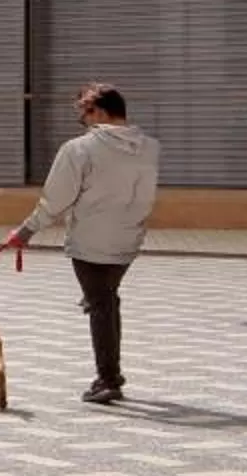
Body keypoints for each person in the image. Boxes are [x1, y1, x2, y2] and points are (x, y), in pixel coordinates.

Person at [11, 81, 162, 404]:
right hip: (128, 238)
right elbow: (146, 194)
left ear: (99, 112)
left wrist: (26, 230)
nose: (84, 123)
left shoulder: (79, 149)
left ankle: (108, 380)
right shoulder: (150, 147)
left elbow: (56, 199)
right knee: (106, 300)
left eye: (84, 115)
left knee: (101, 305)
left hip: (90, 240)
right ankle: (111, 374)